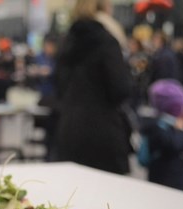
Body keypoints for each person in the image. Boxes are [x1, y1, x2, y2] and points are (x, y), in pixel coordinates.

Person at [55, 0, 132, 174]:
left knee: (72, 193)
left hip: (69, 130)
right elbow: (120, 89)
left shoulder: (67, 42)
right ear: (105, 8)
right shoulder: (107, 41)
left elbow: (58, 86)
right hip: (102, 132)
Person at [140, 80, 183, 193]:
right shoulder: (158, 126)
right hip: (166, 179)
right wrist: (181, 131)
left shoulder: (173, 125)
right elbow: (174, 144)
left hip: (175, 177)